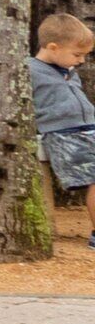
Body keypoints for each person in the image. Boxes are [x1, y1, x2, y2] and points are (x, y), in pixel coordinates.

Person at [35, 13, 95, 206]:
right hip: (64, 135)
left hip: (89, 129)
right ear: (53, 47)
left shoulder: (69, 70)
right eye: (77, 55)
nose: (82, 60)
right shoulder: (29, 70)